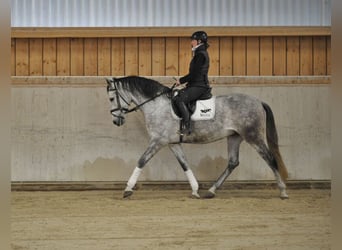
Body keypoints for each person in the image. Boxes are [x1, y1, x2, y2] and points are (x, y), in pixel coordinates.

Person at [173, 31, 211, 135]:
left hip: (200, 86)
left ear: (199, 41)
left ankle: (187, 127)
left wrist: (181, 80)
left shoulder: (200, 55)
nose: (191, 42)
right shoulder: (199, 53)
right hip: (196, 84)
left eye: (193, 40)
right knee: (177, 96)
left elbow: (194, 73)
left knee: (180, 99)